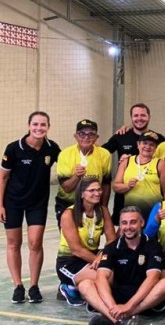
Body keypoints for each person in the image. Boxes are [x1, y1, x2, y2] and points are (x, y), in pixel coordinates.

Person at [79, 206, 165, 325]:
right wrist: (113, 307)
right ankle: (117, 319)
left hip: (143, 300)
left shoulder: (153, 245)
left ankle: (125, 315)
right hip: (118, 298)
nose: (128, 227)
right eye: (124, 223)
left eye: (133, 222)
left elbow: (153, 278)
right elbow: (101, 277)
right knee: (84, 284)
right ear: (120, 226)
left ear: (142, 223)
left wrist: (128, 306)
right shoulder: (112, 247)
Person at [0, 111, 61, 303]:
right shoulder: (13, 149)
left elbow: (68, 162)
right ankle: (18, 285)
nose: (39, 128)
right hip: (13, 202)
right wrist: (0, 205)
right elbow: (2, 178)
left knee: (35, 243)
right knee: (13, 243)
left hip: (38, 202)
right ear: (29, 126)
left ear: (48, 127)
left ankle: (34, 286)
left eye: (43, 125)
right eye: (35, 124)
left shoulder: (52, 148)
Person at [55, 178, 116, 306]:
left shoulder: (103, 211)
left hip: (92, 257)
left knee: (118, 272)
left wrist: (102, 255)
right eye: (92, 190)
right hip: (70, 261)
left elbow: (112, 239)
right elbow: (76, 249)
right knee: (108, 279)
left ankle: (76, 288)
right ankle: (68, 286)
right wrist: (100, 261)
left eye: (99, 189)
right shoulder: (69, 214)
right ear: (82, 194)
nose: (97, 193)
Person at [102, 103, 165, 224]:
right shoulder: (121, 136)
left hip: (151, 195)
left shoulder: (159, 139)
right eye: (136, 115)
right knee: (125, 229)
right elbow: (102, 152)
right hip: (124, 195)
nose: (139, 118)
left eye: (143, 115)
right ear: (131, 117)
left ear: (149, 117)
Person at [55, 119, 112, 226]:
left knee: (91, 240)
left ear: (96, 137)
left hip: (93, 204)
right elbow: (66, 188)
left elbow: (106, 184)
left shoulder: (104, 154)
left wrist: (103, 208)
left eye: (91, 134)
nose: (86, 137)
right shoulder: (64, 154)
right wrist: (76, 176)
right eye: (82, 134)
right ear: (75, 136)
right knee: (68, 239)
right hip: (67, 203)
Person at [112, 130, 165, 222]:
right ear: (138, 144)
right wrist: (127, 186)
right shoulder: (126, 162)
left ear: (156, 147)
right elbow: (115, 186)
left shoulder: (160, 164)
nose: (147, 147)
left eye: (151, 144)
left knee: (151, 236)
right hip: (131, 215)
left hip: (153, 214)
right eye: (145, 143)